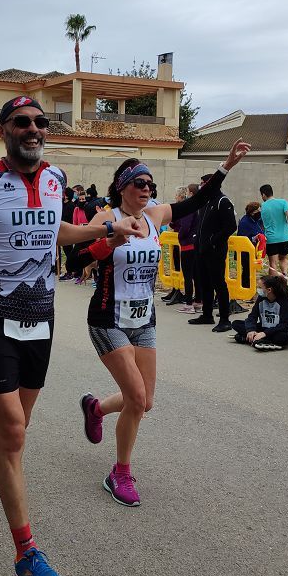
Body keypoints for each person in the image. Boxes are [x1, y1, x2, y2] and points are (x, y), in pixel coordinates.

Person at [0, 95, 147, 576]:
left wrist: (107, 229)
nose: (33, 129)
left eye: (40, 122)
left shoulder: (56, 180)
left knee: (13, 424)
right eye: (22, 122)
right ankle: (27, 554)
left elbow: (55, 232)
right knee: (16, 433)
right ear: (3, 130)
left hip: (39, 317)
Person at [73, 142, 252, 508]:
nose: (146, 189)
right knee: (136, 398)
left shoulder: (155, 216)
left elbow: (198, 201)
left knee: (145, 401)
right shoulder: (103, 217)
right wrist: (110, 240)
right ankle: (119, 473)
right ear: (121, 186)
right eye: (139, 182)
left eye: (150, 183)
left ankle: (96, 409)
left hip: (144, 320)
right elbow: (75, 260)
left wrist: (226, 164)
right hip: (108, 318)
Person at [188, 170, 238, 332]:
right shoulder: (205, 201)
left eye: (204, 183)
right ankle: (207, 315)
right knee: (204, 284)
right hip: (201, 250)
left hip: (215, 251)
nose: (201, 186)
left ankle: (224, 319)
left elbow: (231, 227)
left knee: (219, 284)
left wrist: (212, 241)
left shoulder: (223, 201)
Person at [230, 273, 288, 350]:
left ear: (269, 290)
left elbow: (285, 325)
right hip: (264, 327)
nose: (258, 290)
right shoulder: (261, 298)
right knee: (236, 324)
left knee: (281, 337)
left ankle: (256, 339)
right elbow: (252, 316)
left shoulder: (284, 301)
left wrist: (265, 333)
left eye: (260, 287)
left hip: (280, 331)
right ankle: (257, 338)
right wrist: (251, 330)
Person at [170, 184, 201, 314]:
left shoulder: (189, 208)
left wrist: (180, 236)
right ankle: (198, 301)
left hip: (187, 245)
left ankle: (189, 304)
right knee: (196, 275)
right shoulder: (197, 207)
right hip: (195, 244)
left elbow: (185, 226)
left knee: (188, 276)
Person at [260, 184, 288, 275]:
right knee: (283, 259)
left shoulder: (263, 206)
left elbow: (262, 223)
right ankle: (284, 275)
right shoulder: (283, 202)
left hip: (271, 239)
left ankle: (273, 286)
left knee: (272, 263)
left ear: (263, 195)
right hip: (284, 237)